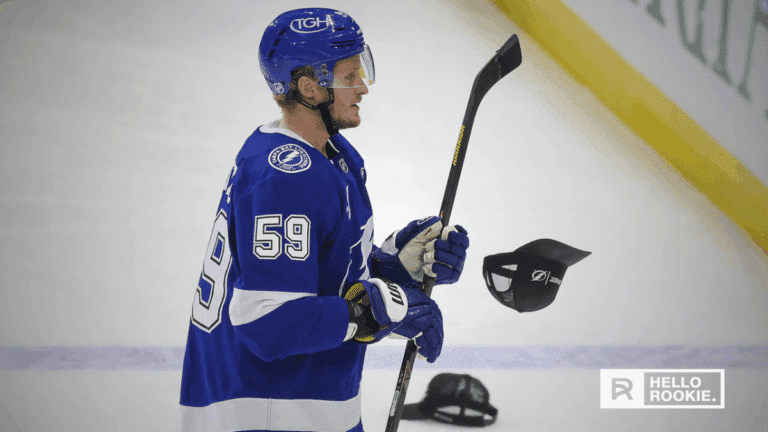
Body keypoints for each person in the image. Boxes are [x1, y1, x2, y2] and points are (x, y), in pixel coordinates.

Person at [179, 8, 470, 432]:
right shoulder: (283, 179)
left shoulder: (333, 156)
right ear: (310, 87)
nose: (363, 87)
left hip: (306, 405)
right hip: (264, 411)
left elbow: (320, 273)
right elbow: (267, 321)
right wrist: (374, 311)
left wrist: (398, 265)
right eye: (349, 75)